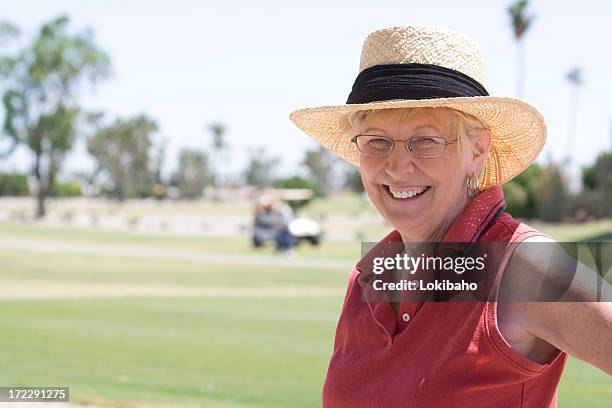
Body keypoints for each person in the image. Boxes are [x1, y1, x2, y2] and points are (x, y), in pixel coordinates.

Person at [289, 25, 611, 407]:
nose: (396, 166)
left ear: (477, 150)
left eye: (424, 140)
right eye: (378, 141)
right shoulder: (368, 276)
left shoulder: (525, 264)